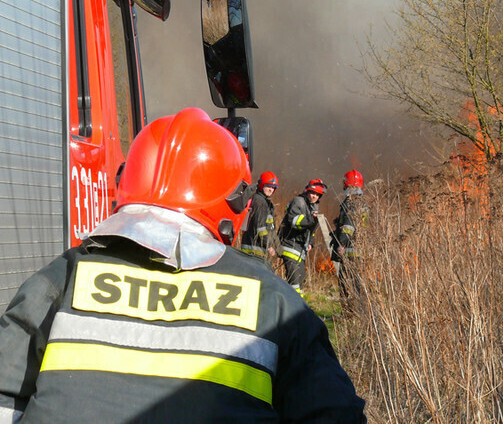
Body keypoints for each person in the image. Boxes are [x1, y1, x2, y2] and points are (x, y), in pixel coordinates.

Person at [0, 108, 365, 423]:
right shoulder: (273, 302)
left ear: (126, 184)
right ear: (235, 204)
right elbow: (335, 413)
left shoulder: (61, 278)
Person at [277, 179, 326, 298]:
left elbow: (312, 230)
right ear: (307, 191)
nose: (314, 196)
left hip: (300, 247)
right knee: (294, 280)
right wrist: (311, 218)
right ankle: (294, 306)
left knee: (301, 278)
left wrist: (310, 243)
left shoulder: (313, 207)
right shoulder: (298, 202)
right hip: (290, 244)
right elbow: (294, 221)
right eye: (313, 193)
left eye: (317, 195)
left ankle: (298, 305)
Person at [331, 170, 367, 303]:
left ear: (347, 185)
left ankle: (348, 313)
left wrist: (342, 244)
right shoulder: (363, 202)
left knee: (345, 282)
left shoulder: (351, 202)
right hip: (360, 248)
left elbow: (348, 226)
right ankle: (357, 310)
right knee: (357, 282)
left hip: (350, 249)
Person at [240, 171, 279, 262]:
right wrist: (269, 246)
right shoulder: (260, 202)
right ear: (262, 185)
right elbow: (260, 228)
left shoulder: (261, 200)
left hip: (253, 248)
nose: (271, 190)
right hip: (254, 250)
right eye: (268, 186)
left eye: (273, 187)